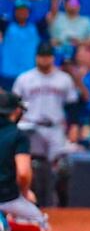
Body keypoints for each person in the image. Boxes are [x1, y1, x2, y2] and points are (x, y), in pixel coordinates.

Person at [12, 42, 78, 207]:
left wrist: (74, 126)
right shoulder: (25, 78)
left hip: (55, 126)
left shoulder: (63, 79)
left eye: (47, 56)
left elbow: (72, 107)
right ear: (36, 57)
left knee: (63, 168)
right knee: (32, 168)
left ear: (53, 58)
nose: (44, 60)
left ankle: (63, 206)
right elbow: (14, 105)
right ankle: (33, 204)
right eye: (41, 56)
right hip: (31, 127)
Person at [0, 90, 51, 231]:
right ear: (16, 111)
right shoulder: (18, 135)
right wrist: (24, 192)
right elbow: (23, 173)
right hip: (8, 196)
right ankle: (6, 225)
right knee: (42, 229)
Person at [0, 0, 41, 89]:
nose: (22, 12)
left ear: (29, 13)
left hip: (30, 75)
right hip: (8, 74)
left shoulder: (36, 28)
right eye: (19, 10)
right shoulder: (6, 26)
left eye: (25, 10)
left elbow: (51, 16)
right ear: (14, 12)